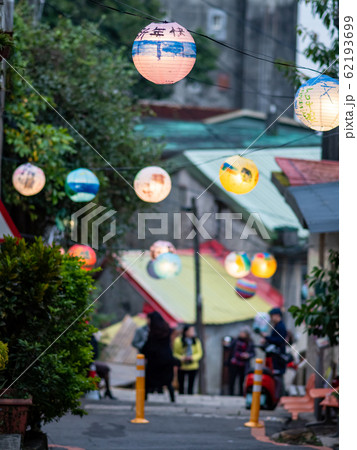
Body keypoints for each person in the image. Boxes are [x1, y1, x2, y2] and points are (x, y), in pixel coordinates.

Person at [141, 311, 179, 402]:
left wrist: (143, 352)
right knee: (168, 382)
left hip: (155, 360)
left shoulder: (153, 332)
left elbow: (149, 346)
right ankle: (172, 398)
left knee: (148, 380)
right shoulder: (167, 329)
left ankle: (144, 399)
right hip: (166, 359)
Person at [261, 307, 288, 398]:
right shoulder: (277, 326)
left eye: (272, 316)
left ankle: (279, 397)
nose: (271, 319)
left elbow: (279, 340)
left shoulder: (280, 326)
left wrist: (267, 338)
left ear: (277, 316)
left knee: (278, 378)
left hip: (278, 356)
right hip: (275, 356)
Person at [173, 325, 203, 395]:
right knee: (181, 385)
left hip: (193, 365)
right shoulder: (178, 341)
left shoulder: (196, 341)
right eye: (191, 330)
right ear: (186, 332)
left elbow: (199, 353)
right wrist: (181, 358)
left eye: (193, 331)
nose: (192, 332)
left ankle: (189, 399)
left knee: (191, 385)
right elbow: (175, 353)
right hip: (182, 365)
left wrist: (192, 357)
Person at [227, 328, 255, 396]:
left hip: (243, 364)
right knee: (232, 380)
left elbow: (253, 353)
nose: (241, 334)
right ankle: (231, 394)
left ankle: (241, 394)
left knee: (241, 380)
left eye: (243, 333)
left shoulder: (250, 342)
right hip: (234, 363)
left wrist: (248, 355)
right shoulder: (235, 340)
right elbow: (229, 348)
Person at [90, 333, 117, 399]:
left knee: (105, 369)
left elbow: (95, 353)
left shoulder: (91, 337)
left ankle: (107, 390)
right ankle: (99, 391)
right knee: (101, 369)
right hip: (86, 361)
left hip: (91, 361)